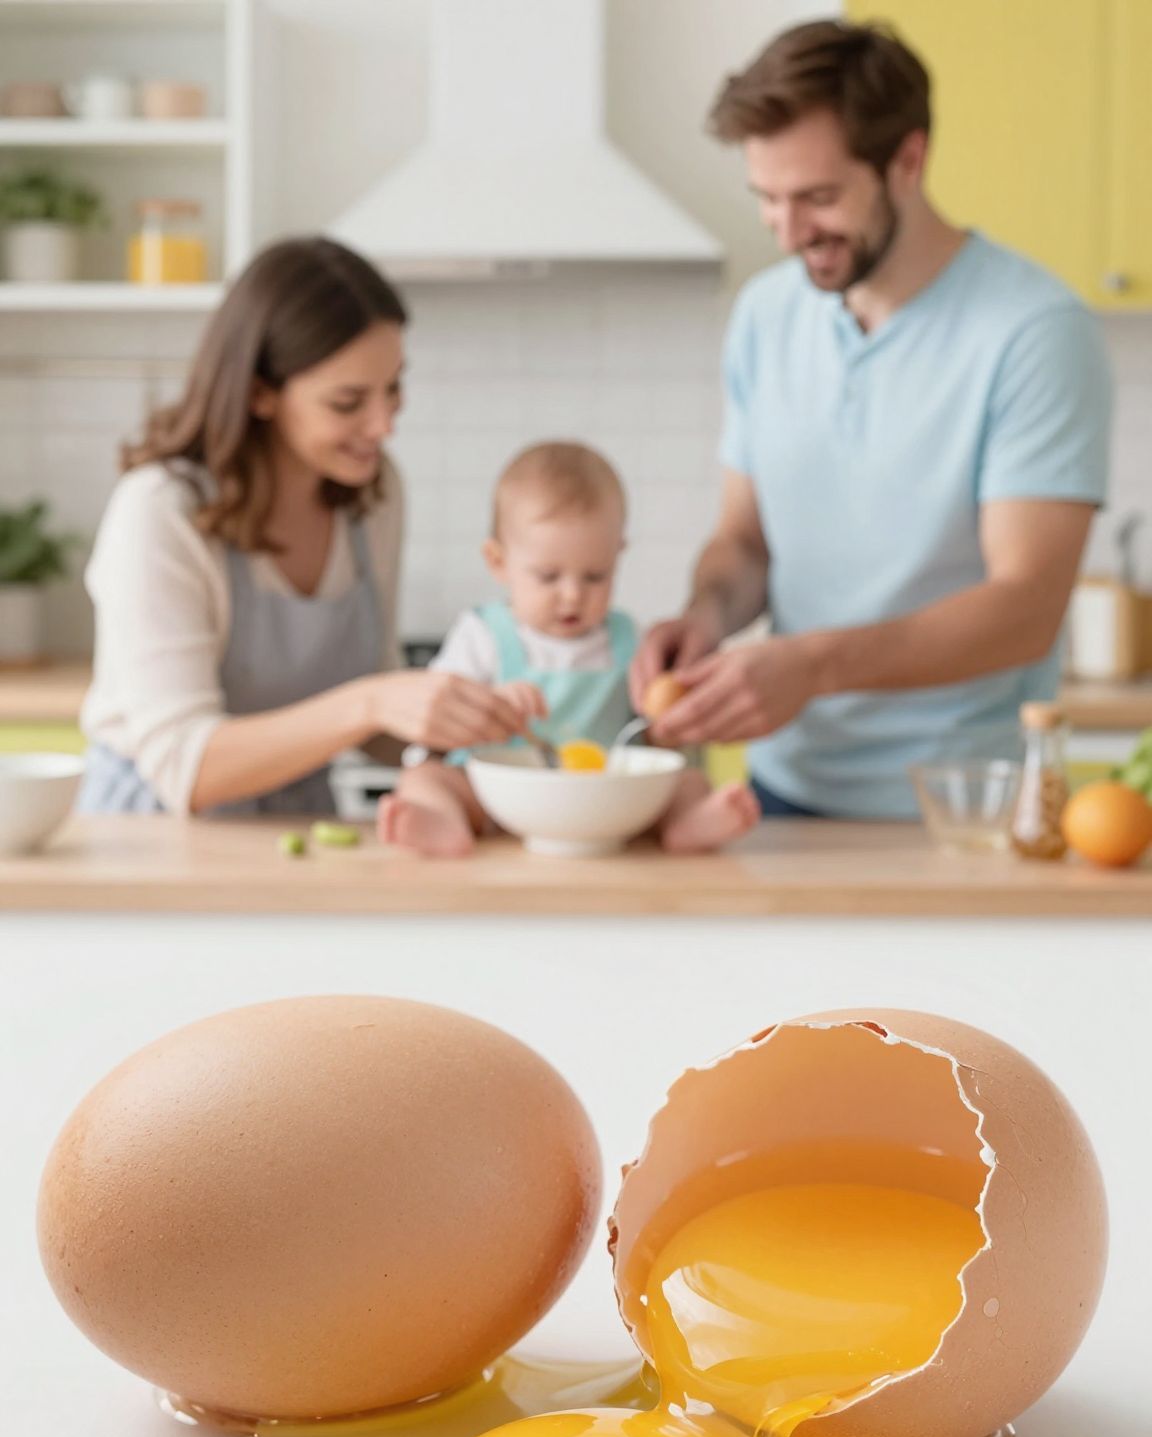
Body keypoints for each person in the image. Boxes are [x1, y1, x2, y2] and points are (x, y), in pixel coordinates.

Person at [631, 19, 1112, 819]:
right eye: (767, 199)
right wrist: (704, 617)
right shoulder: (765, 315)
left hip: (964, 806)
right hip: (779, 791)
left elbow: (1026, 605)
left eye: (819, 198)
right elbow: (745, 544)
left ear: (908, 161)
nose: (789, 233)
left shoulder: (1033, 331)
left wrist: (813, 665)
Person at [79, 236, 529, 816]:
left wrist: (462, 718)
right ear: (262, 392)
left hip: (298, 821)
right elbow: (184, 767)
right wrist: (372, 702)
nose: (383, 425)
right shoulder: (162, 511)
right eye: (348, 402)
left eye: (393, 389)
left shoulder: (374, 495)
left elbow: (375, 714)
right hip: (154, 836)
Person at [378, 441, 760, 857]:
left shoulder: (627, 638)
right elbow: (435, 719)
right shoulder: (482, 634)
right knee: (424, 779)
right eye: (548, 576)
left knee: (686, 781)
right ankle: (443, 823)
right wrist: (490, 707)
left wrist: (663, 719)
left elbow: (648, 741)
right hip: (493, 804)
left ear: (619, 556)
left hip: (605, 806)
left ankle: (690, 822)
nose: (573, 595)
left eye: (595, 576)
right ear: (498, 561)